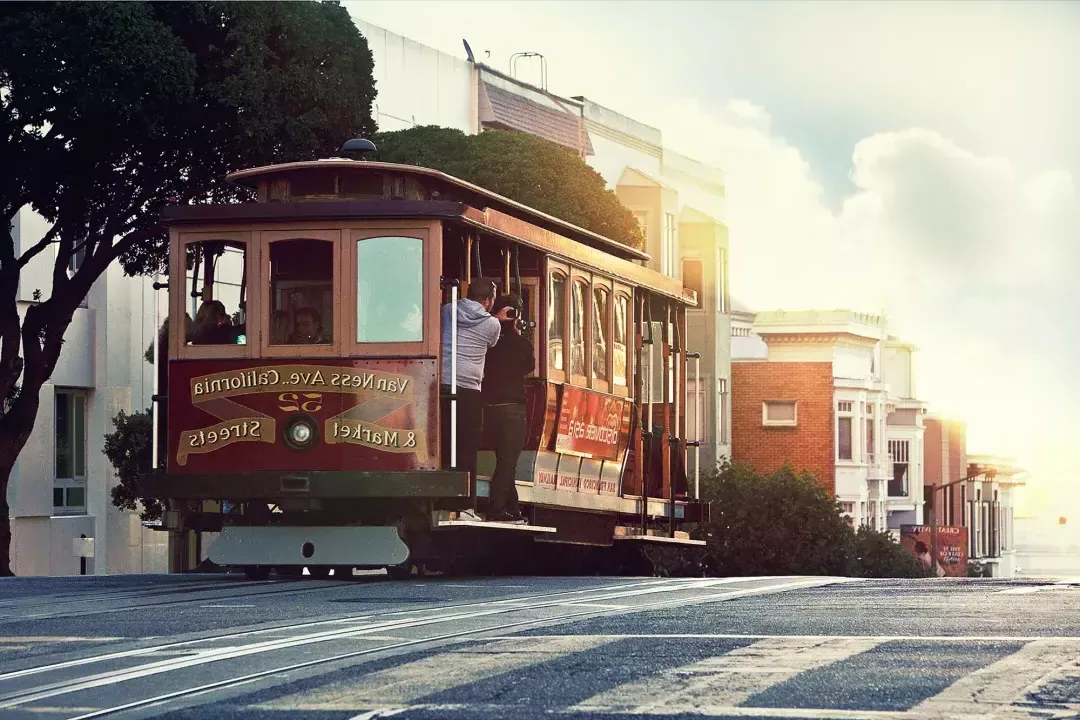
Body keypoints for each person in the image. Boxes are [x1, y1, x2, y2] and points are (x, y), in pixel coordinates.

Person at [439, 277, 510, 521]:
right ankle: (464, 507)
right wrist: (499, 319)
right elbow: (490, 343)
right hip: (468, 390)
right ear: (488, 300)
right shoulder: (492, 325)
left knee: (440, 443)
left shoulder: (447, 311)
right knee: (467, 449)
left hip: (440, 384)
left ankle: (438, 500)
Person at [482, 295, 534, 524]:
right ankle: (496, 509)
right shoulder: (521, 343)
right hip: (513, 409)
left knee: (506, 460)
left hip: (489, 408)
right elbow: (529, 366)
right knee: (507, 461)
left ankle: (513, 509)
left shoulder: (487, 340)